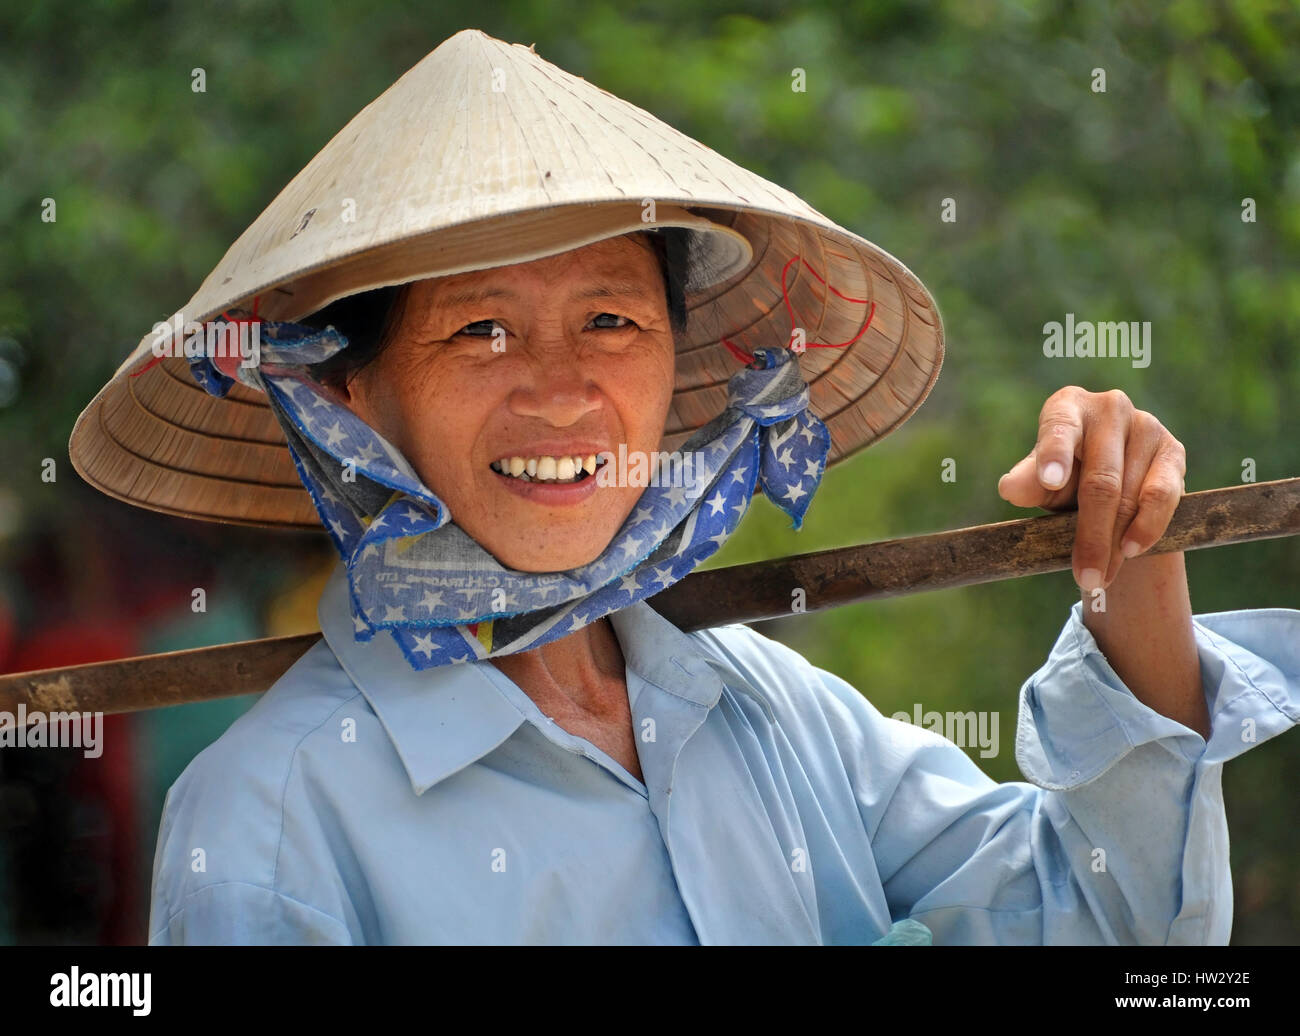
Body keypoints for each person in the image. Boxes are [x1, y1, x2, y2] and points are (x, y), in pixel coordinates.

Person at [70, 30, 1299, 945]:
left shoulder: (769, 714)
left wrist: (1129, 559)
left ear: (677, 366)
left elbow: (1109, 926)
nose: (560, 395)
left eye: (609, 318)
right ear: (348, 397)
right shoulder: (271, 825)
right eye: (479, 332)